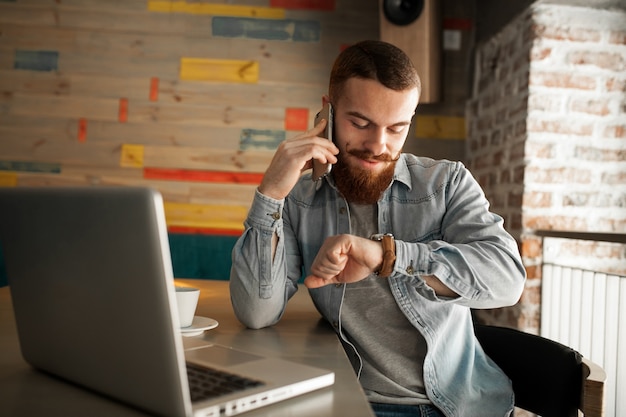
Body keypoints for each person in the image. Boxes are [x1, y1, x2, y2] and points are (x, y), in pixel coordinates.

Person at [229, 40, 526, 417]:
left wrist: (389, 255)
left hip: (448, 404)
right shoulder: (299, 199)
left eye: (397, 128)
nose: (378, 145)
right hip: (350, 400)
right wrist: (271, 192)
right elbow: (256, 312)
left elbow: (508, 282)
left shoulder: (446, 183)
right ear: (328, 111)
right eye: (360, 123)